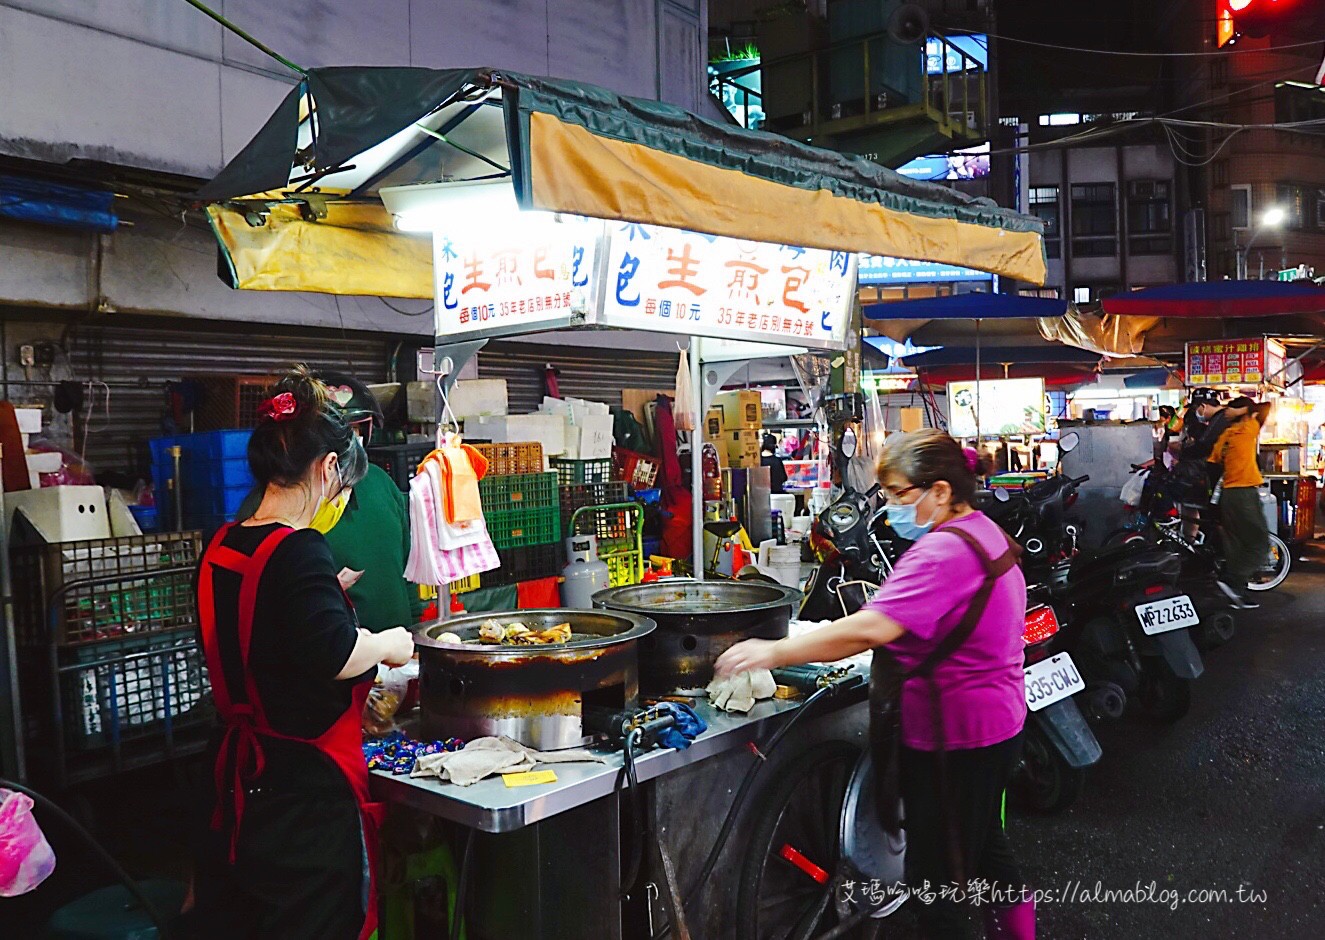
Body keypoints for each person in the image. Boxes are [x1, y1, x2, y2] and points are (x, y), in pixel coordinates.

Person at [716, 429, 1031, 939]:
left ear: (942, 492)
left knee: (937, 891)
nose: (890, 507)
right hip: (995, 726)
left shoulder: (942, 554)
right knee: (984, 848)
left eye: (899, 494)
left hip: (956, 738)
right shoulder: (983, 531)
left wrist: (773, 651)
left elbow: (869, 628)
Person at [186, 367, 415, 939]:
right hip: (303, 792)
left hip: (237, 780)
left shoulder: (223, 541)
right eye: (341, 483)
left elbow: (257, 635)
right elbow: (336, 654)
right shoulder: (298, 548)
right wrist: (388, 644)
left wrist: (318, 593)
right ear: (328, 469)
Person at [238, 370, 422, 632]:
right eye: (343, 432)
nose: (350, 441)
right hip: (332, 660)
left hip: (398, 659)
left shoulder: (382, 484)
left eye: (356, 430)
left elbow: (407, 572)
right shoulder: (264, 513)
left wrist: (413, 634)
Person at [1209, 395, 1273, 609]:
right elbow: (1266, 407)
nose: (1227, 411)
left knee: (1235, 544)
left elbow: (1214, 461)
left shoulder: (1225, 435)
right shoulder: (1248, 428)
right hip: (1244, 493)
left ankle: (1236, 594)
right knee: (1259, 543)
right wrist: (1242, 411)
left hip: (1227, 495)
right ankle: (1233, 580)